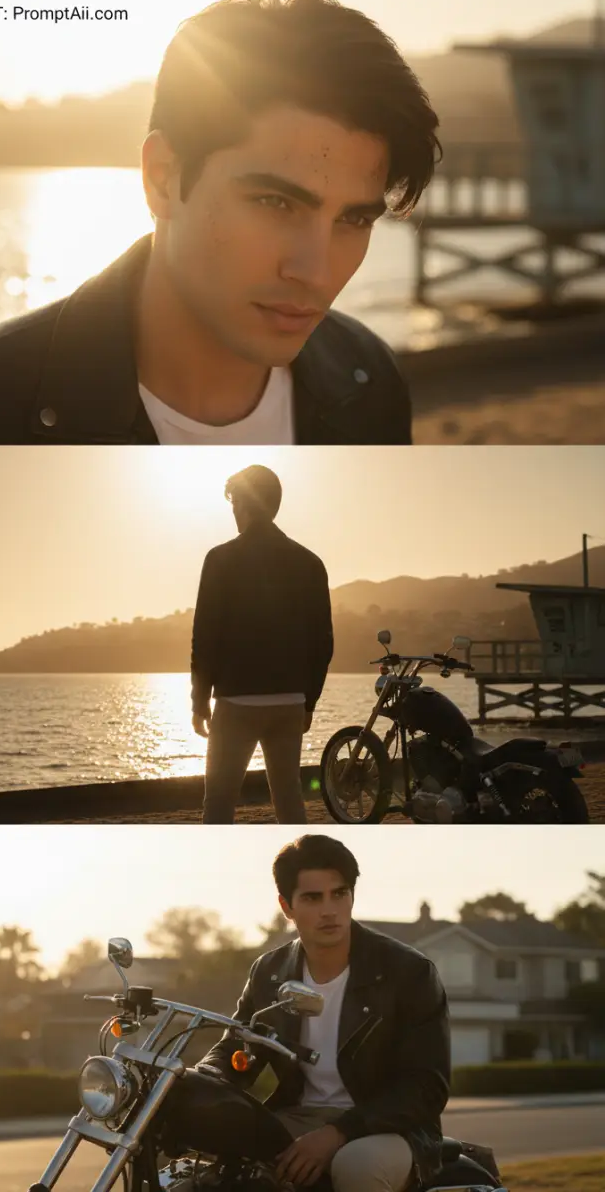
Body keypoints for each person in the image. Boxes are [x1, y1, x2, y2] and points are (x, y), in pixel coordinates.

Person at [0, 0, 440, 445]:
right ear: (163, 177)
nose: (317, 272)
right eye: (275, 203)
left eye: (354, 220)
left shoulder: (369, 380)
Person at [199, 834, 450, 1192]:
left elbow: (426, 1086)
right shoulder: (270, 971)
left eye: (339, 893)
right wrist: (203, 1075)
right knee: (202, 1162)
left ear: (352, 896)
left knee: (357, 1166)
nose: (329, 910)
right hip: (297, 1115)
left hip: (391, 1128)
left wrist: (338, 1132)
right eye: (312, 898)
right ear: (287, 906)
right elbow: (240, 1047)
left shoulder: (408, 971)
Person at [191, 465, 333, 823]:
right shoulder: (310, 563)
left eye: (235, 502)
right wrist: (308, 700)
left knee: (219, 802)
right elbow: (323, 642)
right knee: (289, 800)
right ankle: (301, 855)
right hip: (290, 702)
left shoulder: (220, 559)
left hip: (236, 701)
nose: (234, 511)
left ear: (246, 503)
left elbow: (205, 636)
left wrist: (199, 700)